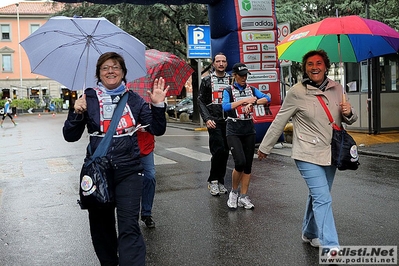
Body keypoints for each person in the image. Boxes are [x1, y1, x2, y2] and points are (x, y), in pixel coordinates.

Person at [63, 52, 168, 266]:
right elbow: (70, 136)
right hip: (97, 171)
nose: (110, 71)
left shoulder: (135, 100)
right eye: (105, 68)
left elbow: (157, 128)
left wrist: (158, 106)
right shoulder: (88, 97)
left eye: (115, 67)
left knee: (129, 224)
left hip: (129, 169)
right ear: (98, 74)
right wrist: (76, 112)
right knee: (101, 226)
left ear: (123, 73)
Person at [257, 50, 358, 253]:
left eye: (319, 63)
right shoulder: (297, 91)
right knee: (322, 197)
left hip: (331, 151)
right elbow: (280, 119)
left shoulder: (337, 88)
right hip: (306, 153)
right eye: (310, 64)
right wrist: (265, 146)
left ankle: (310, 232)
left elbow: (347, 119)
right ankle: (331, 246)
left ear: (326, 66)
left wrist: (349, 113)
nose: (314, 67)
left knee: (319, 195)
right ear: (305, 68)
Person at [222, 63, 270, 210]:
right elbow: (225, 106)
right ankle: (234, 192)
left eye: (245, 75)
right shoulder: (228, 90)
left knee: (248, 165)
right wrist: (243, 101)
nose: (244, 78)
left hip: (248, 128)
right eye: (241, 75)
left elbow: (267, 98)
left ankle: (243, 196)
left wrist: (253, 101)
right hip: (234, 128)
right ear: (234, 76)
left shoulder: (252, 89)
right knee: (240, 162)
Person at [198, 52, 231, 196]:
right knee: (218, 150)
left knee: (225, 152)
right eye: (218, 61)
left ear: (227, 63)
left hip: (229, 121)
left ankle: (221, 181)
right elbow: (200, 101)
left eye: (223, 61)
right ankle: (213, 180)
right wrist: (207, 118)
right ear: (213, 64)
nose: (221, 64)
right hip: (214, 120)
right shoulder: (206, 81)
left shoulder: (231, 80)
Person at [137, 129, 156, 228]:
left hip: (146, 146)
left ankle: (146, 213)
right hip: (126, 145)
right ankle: (130, 215)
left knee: (150, 177)